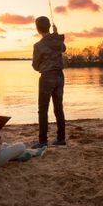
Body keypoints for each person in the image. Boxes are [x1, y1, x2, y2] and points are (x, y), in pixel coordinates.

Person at [31, 16, 67, 149]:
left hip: (47, 77)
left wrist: (43, 67)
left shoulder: (38, 46)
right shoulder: (58, 41)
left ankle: (42, 141)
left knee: (43, 109)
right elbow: (63, 49)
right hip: (59, 76)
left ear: (37, 28)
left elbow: (35, 66)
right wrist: (56, 35)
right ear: (48, 27)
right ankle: (61, 138)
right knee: (58, 108)